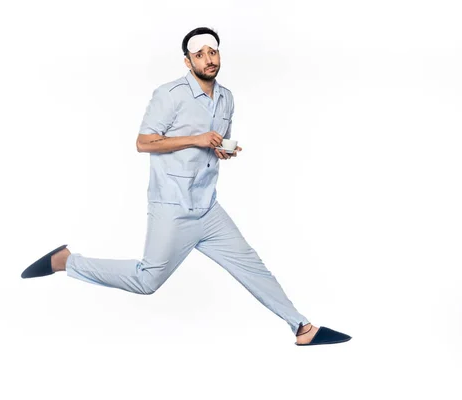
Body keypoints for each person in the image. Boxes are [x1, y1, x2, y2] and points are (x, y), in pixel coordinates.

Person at [21, 27, 351, 346]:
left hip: (208, 207)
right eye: (200, 54)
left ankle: (303, 328)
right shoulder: (170, 94)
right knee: (146, 280)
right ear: (187, 61)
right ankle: (66, 261)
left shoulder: (226, 98)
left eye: (213, 51)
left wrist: (221, 150)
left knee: (253, 267)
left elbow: (209, 148)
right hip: (172, 207)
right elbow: (143, 142)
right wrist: (197, 138)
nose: (209, 59)